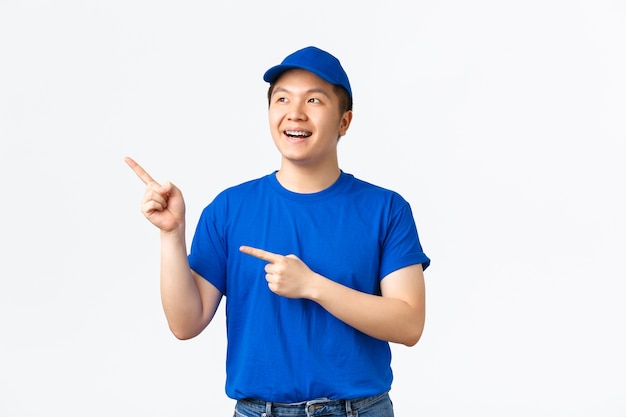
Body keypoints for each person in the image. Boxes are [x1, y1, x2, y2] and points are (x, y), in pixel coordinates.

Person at [125, 45, 430, 417]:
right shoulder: (229, 209)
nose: (294, 113)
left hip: (359, 410)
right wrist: (171, 235)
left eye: (314, 100)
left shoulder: (385, 209)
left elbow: (409, 323)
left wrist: (312, 286)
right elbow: (185, 323)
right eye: (282, 99)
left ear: (344, 122)